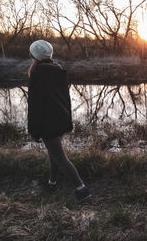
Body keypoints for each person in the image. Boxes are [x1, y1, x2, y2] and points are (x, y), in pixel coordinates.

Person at [27, 40, 91, 202]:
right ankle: (52, 183)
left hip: (48, 123)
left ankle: (82, 190)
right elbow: (65, 99)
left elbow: (35, 106)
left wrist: (34, 130)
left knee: (61, 158)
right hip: (60, 120)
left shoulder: (37, 74)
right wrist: (67, 121)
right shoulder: (58, 69)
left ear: (32, 56)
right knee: (54, 154)